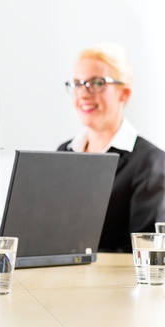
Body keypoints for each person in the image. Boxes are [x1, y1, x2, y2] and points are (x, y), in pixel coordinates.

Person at [58, 43, 165, 252]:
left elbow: (144, 249)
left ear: (124, 94)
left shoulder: (150, 162)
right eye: (78, 83)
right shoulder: (63, 152)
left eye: (97, 83)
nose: (83, 93)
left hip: (119, 284)